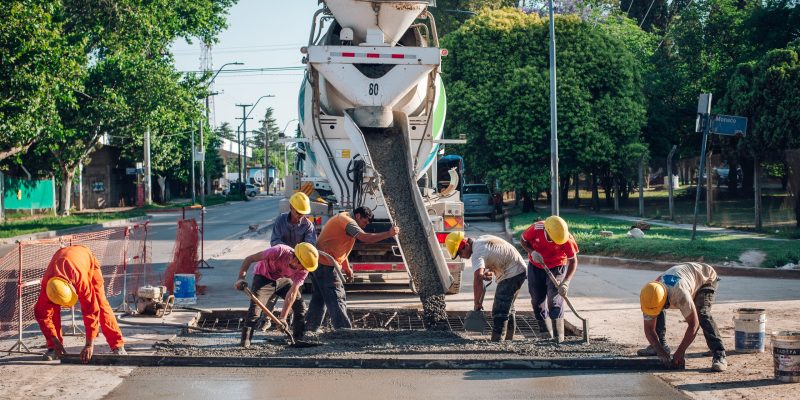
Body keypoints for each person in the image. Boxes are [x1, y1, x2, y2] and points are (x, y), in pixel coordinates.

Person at [305, 206, 399, 332]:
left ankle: (311, 328)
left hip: (320, 262)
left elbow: (339, 246)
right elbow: (365, 238)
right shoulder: (348, 221)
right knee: (337, 296)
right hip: (326, 263)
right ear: (358, 216)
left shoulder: (344, 219)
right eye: (364, 222)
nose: (364, 226)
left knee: (319, 298)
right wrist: (389, 234)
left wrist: (347, 267)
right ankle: (343, 330)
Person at [34, 245, 126, 363]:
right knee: (50, 310)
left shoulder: (80, 280)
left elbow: (91, 310)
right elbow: (42, 314)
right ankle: (53, 348)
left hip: (86, 261)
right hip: (66, 261)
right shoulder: (48, 285)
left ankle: (117, 345)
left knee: (100, 303)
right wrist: (53, 340)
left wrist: (89, 344)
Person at [639, 262, 727, 372]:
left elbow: (694, 325)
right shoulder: (650, 294)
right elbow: (648, 329)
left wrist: (680, 352)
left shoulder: (679, 294)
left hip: (705, 277)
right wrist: (660, 351)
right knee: (656, 310)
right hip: (685, 277)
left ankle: (719, 354)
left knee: (702, 313)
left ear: (666, 299)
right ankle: (660, 345)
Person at [446, 232, 526, 342]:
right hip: (518, 269)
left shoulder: (477, 253)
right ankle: (508, 340)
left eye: (460, 253)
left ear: (465, 245)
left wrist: (477, 304)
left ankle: (497, 341)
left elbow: (478, 279)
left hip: (512, 272)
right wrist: (488, 272)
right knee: (508, 308)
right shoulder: (480, 241)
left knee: (499, 309)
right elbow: (493, 257)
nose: (462, 257)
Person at [234, 242, 318, 347]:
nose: (303, 269)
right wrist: (240, 278)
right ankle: (245, 342)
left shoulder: (304, 270)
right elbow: (249, 259)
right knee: (255, 311)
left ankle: (298, 339)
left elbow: (292, 293)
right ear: (296, 259)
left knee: (300, 306)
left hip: (283, 280)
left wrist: (283, 317)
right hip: (263, 277)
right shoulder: (278, 251)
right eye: (302, 266)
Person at [262, 192, 317, 329]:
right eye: (298, 212)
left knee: (294, 295)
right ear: (291, 207)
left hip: (297, 266)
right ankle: (265, 321)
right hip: (280, 263)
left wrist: (298, 258)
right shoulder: (280, 220)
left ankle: (288, 321)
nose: (300, 216)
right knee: (272, 293)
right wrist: (290, 254)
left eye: (303, 213)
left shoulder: (308, 226)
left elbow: (310, 247)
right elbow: (275, 241)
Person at [519, 216, 579, 343]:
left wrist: (566, 282)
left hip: (557, 267)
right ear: (547, 232)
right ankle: (545, 334)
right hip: (536, 266)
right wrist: (532, 251)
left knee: (555, 300)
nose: (557, 242)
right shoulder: (536, 228)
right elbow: (523, 241)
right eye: (554, 240)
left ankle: (558, 337)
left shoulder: (566, 238)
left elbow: (573, 261)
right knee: (537, 301)